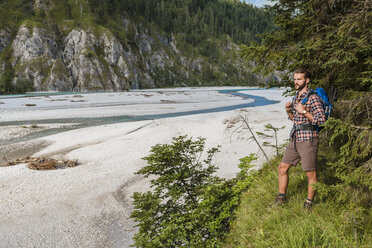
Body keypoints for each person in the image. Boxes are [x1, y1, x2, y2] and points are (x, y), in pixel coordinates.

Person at [276, 68, 326, 209]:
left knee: (310, 173)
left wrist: (304, 111)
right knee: (282, 168)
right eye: (295, 79)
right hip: (296, 138)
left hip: (309, 139)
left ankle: (308, 204)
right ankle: (281, 198)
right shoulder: (296, 97)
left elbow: (322, 120)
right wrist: (289, 111)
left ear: (307, 80)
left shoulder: (313, 98)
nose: (296, 82)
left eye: (299, 79)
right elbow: (295, 120)